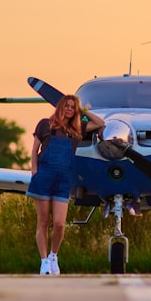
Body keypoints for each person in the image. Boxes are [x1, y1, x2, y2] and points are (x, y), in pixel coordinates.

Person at [27, 94, 104, 274]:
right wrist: (34, 172)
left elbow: (100, 123)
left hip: (63, 178)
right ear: (60, 106)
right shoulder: (45, 125)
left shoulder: (78, 129)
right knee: (43, 221)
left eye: (72, 107)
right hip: (44, 176)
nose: (69, 109)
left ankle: (54, 255)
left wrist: (85, 110)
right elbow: (34, 149)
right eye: (67, 106)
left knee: (60, 223)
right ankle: (43, 261)